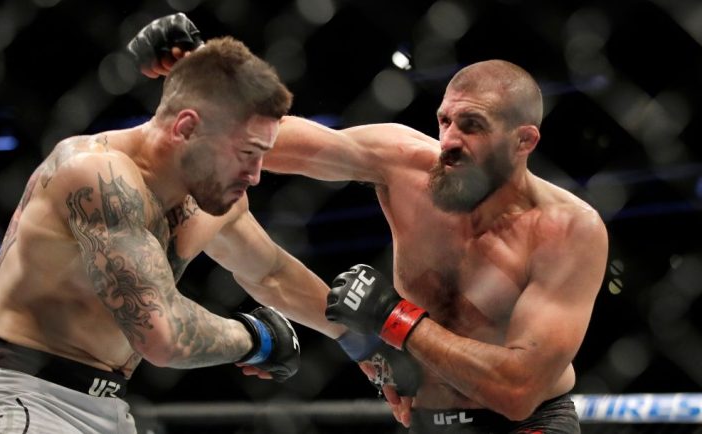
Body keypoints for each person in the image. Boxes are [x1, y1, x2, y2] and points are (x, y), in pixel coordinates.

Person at [137, 14, 609, 433]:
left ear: (524, 141)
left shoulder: (567, 229)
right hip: (425, 423)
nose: (449, 140)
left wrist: (392, 318)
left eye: (473, 125)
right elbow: (269, 139)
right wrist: (199, 68)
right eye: (445, 121)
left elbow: (518, 391)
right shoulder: (403, 163)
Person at [0, 17, 347, 434]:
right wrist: (258, 338)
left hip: (110, 407)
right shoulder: (95, 173)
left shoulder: (209, 200)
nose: (255, 174)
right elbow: (163, 335)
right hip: (29, 399)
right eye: (247, 152)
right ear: (187, 128)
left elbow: (272, 273)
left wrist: (365, 344)